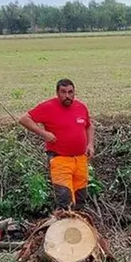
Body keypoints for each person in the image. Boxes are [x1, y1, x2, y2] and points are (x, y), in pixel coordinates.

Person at [19, 78, 94, 210]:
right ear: (57, 93)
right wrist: (44, 133)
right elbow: (24, 119)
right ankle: (63, 227)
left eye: (70, 92)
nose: (67, 96)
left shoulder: (81, 107)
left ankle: (79, 227)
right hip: (60, 159)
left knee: (81, 199)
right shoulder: (48, 107)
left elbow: (89, 126)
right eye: (63, 92)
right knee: (65, 200)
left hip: (80, 159)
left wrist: (90, 144)